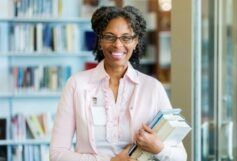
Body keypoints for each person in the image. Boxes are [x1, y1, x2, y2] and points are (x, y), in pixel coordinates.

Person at [50, 6, 187, 161]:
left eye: (126, 37)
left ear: (135, 42)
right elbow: (57, 154)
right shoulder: (76, 85)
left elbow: (181, 157)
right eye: (109, 36)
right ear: (100, 41)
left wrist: (159, 148)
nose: (117, 44)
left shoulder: (153, 88)